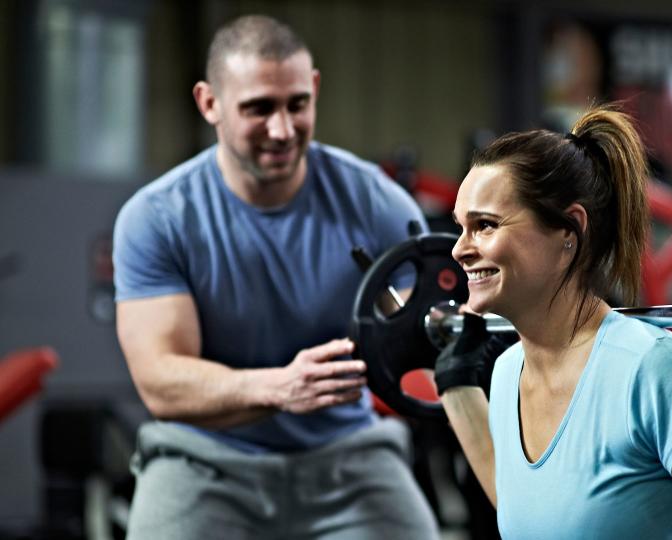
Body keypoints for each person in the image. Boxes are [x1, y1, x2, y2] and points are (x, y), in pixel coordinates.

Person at [112, 14, 439, 539]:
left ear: (313, 89)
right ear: (209, 103)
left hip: (347, 456)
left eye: (296, 104)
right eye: (259, 108)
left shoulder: (377, 203)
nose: (283, 129)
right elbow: (162, 385)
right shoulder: (157, 218)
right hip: (202, 461)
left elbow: (423, 331)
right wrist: (281, 387)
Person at [435, 104, 672, 539]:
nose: (460, 249)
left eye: (485, 226)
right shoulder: (505, 373)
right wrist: (458, 388)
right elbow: (543, 517)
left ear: (569, 231)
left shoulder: (649, 368)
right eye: (461, 227)